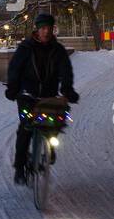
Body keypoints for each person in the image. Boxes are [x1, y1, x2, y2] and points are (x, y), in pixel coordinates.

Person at [5, 13, 79, 184]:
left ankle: (50, 146)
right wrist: (13, 88)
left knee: (55, 123)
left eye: (49, 28)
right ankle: (20, 167)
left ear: (53, 30)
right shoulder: (25, 48)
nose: (46, 32)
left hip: (49, 96)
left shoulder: (58, 50)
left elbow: (66, 71)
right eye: (43, 28)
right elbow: (14, 69)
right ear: (37, 30)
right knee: (25, 128)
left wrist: (68, 90)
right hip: (27, 96)